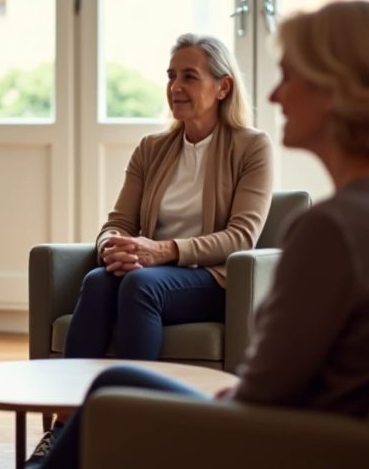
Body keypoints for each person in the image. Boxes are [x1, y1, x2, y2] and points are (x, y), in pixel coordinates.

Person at [25, 0, 369, 469]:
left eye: (289, 75)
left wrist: (171, 413)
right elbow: (286, 376)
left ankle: (103, 442)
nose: (275, 95)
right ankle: (74, 436)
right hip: (333, 430)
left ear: (337, 90)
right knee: (106, 321)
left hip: (286, 441)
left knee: (113, 389)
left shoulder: (329, 229)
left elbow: (262, 394)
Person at [35, 33, 274, 451]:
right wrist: (116, 246)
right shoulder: (152, 148)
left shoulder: (252, 147)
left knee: (141, 286)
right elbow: (117, 222)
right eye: (170, 76)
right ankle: (63, 429)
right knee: (97, 280)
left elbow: (241, 236)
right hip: (144, 271)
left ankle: (132, 434)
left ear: (223, 86)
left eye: (189, 76)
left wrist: (161, 251)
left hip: (210, 280)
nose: (175, 87)